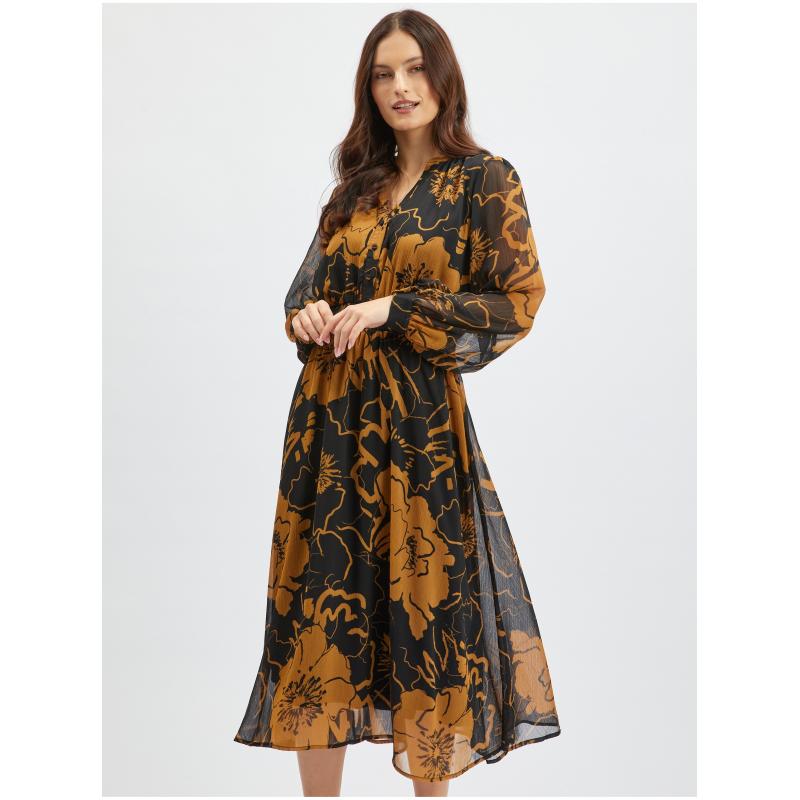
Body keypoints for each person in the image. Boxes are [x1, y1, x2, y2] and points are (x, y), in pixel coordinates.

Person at [234, 9, 561, 797]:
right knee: (321, 622)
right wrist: (307, 317)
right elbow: (304, 295)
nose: (400, 87)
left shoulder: (484, 180)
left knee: (426, 620)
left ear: (443, 78)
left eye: (414, 69)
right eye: (383, 74)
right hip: (330, 428)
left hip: (419, 433)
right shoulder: (355, 190)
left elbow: (516, 302)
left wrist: (396, 309)